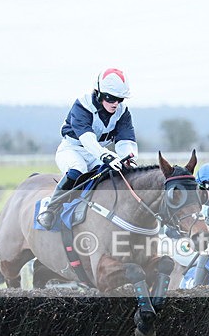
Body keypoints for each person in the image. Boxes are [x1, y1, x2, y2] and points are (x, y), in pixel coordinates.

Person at [36, 68, 138, 230]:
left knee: (114, 174)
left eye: (120, 99)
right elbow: (87, 138)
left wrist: (129, 158)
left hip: (98, 153)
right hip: (73, 149)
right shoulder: (82, 105)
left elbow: (125, 139)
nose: (115, 103)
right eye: (110, 98)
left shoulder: (122, 112)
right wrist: (106, 155)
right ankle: (51, 210)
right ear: (98, 93)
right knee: (79, 168)